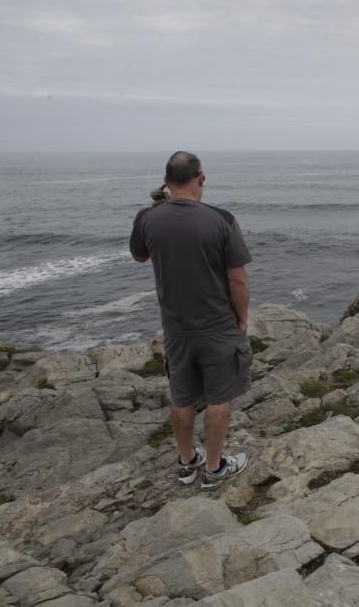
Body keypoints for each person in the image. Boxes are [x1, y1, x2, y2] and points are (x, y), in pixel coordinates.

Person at [130, 151, 253, 489]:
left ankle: (187, 463)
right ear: (202, 177)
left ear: (166, 180)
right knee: (218, 398)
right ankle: (214, 469)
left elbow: (140, 255)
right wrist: (241, 318)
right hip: (216, 325)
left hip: (176, 328)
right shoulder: (221, 219)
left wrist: (160, 207)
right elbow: (238, 280)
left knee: (181, 397)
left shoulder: (147, 218)